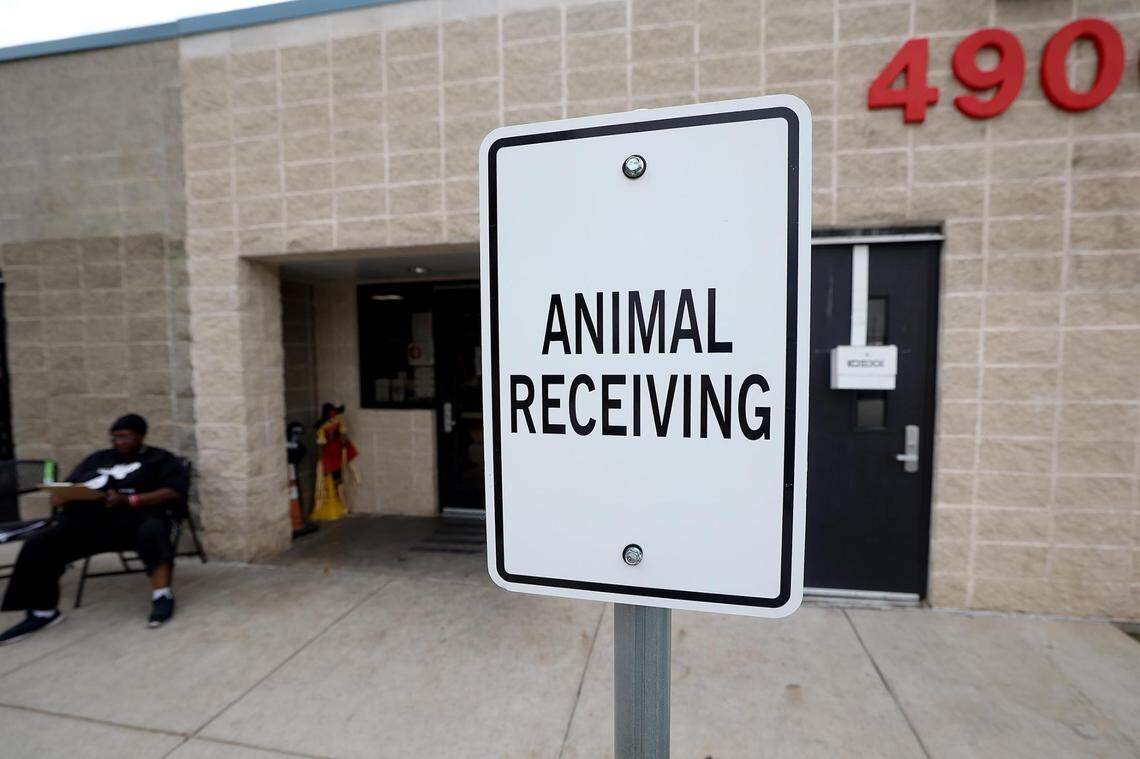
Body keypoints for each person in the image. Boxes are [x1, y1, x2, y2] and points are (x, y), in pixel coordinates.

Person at [0, 414, 188, 644]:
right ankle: (43, 612)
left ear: (141, 436)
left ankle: (162, 596)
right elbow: (69, 486)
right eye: (115, 437)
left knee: (154, 530)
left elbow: (174, 491)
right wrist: (62, 497)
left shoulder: (160, 459)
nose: (118, 442)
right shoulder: (97, 459)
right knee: (40, 542)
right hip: (93, 523)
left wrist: (129, 500)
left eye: (124, 436)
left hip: (138, 520)